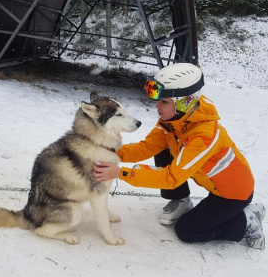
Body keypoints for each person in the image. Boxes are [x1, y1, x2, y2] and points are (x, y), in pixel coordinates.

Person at [93, 62, 265, 250]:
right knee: (163, 148)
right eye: (158, 100)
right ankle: (181, 200)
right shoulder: (174, 121)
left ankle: (247, 220)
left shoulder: (205, 136)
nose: (157, 107)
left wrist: (121, 173)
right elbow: (146, 148)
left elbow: (172, 177)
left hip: (232, 195)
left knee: (187, 231)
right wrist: (109, 152)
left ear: (185, 102)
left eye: (164, 102)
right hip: (211, 182)